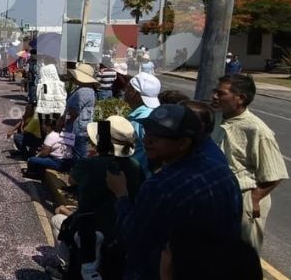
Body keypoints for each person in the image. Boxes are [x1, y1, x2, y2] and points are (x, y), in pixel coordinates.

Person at [106, 104, 242, 280]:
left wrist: (121, 195)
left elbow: (132, 238)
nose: (147, 140)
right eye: (147, 131)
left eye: (158, 137)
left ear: (183, 143)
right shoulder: (222, 172)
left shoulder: (161, 186)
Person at [47, 116, 142, 279]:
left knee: (58, 219)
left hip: (92, 227)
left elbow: (72, 180)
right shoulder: (136, 167)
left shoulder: (92, 163)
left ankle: (63, 267)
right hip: (120, 230)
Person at [212, 73, 288, 252]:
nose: (214, 97)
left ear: (240, 98)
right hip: (220, 197)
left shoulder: (257, 130)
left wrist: (253, 199)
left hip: (243, 197)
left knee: (242, 256)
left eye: (221, 93)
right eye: (215, 92)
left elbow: (275, 174)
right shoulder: (219, 120)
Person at [56, 63, 97, 161]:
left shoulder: (84, 91)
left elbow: (73, 112)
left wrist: (63, 122)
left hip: (78, 130)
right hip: (79, 129)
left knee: (78, 157)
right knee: (76, 155)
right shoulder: (84, 89)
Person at [123, 72, 161, 178]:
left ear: (133, 92)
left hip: (139, 176)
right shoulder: (152, 113)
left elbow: (151, 155)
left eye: (127, 88)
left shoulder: (142, 120)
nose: (124, 92)